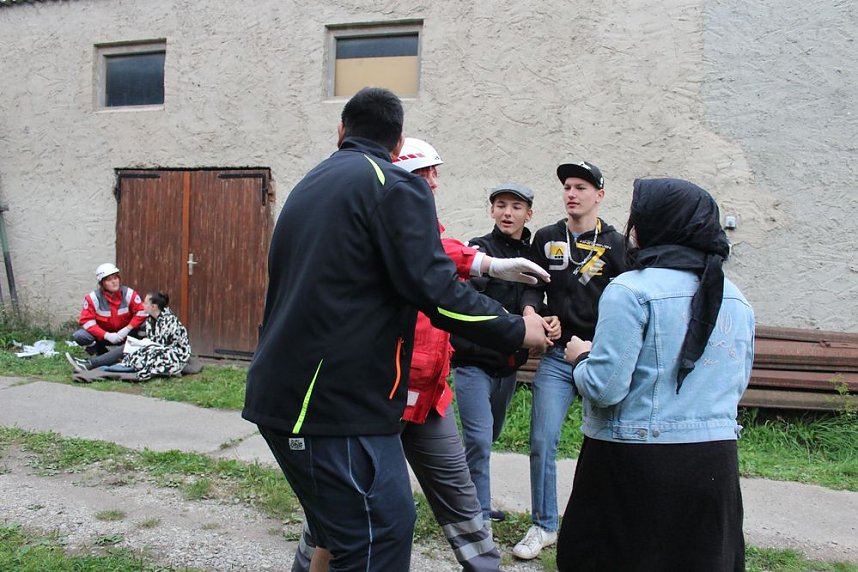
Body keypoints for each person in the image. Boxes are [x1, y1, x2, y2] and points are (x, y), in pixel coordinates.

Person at [242, 87, 552, 571]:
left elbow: (430, 254)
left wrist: (486, 264)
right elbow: (437, 290)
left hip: (292, 396)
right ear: (398, 143)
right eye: (425, 172)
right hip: (332, 407)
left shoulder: (314, 182)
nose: (430, 182)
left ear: (341, 130)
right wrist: (516, 331)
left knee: (347, 530)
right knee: (378, 533)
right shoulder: (390, 186)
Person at [557, 178, 754, 571]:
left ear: (653, 224)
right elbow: (735, 383)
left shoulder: (631, 290)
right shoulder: (735, 298)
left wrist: (581, 358)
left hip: (635, 464)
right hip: (713, 465)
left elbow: (605, 388)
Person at [513, 160, 628, 560]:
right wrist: (535, 314)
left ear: (600, 195)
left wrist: (605, 344)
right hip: (558, 358)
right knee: (542, 440)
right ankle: (544, 525)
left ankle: (605, 524)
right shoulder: (547, 238)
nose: (572, 193)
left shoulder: (616, 244)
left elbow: (630, 300)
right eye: (567, 187)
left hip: (600, 358)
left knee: (608, 444)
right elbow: (531, 288)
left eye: (581, 187)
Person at [451, 182, 541, 525]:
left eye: (516, 207)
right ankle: (478, 515)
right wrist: (506, 317)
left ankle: (462, 492)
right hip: (472, 362)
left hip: (508, 366)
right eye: (501, 205)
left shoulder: (532, 254)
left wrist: (536, 314)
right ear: (491, 211)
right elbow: (470, 296)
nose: (507, 212)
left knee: (489, 435)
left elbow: (535, 294)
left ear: (528, 214)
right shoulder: (479, 249)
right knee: (477, 439)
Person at [65, 263, 147, 371]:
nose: (114, 282)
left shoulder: (129, 294)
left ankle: (135, 353)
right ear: (102, 283)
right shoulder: (93, 298)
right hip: (103, 337)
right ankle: (100, 354)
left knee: (145, 325)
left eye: (116, 278)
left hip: (127, 335)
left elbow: (142, 312)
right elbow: (86, 321)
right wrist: (107, 335)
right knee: (80, 335)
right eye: (109, 280)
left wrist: (127, 329)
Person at [116, 291, 192, 380]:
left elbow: (162, 345)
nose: (142, 305)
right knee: (137, 351)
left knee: (153, 354)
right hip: (158, 347)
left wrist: (146, 346)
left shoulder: (168, 320)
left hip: (175, 351)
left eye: (145, 303)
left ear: (153, 307)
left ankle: (162, 370)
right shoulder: (150, 319)